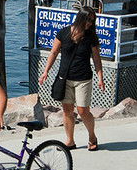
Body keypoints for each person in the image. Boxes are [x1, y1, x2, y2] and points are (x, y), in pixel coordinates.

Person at [38, 8, 105, 151]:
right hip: (65, 78)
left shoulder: (91, 36)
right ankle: (70, 141)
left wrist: (100, 77)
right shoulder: (63, 33)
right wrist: (45, 72)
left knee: (82, 111)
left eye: (93, 21)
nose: (90, 23)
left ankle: (92, 137)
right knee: (67, 110)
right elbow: (54, 52)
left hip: (83, 78)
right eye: (88, 20)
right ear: (80, 18)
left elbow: (96, 58)